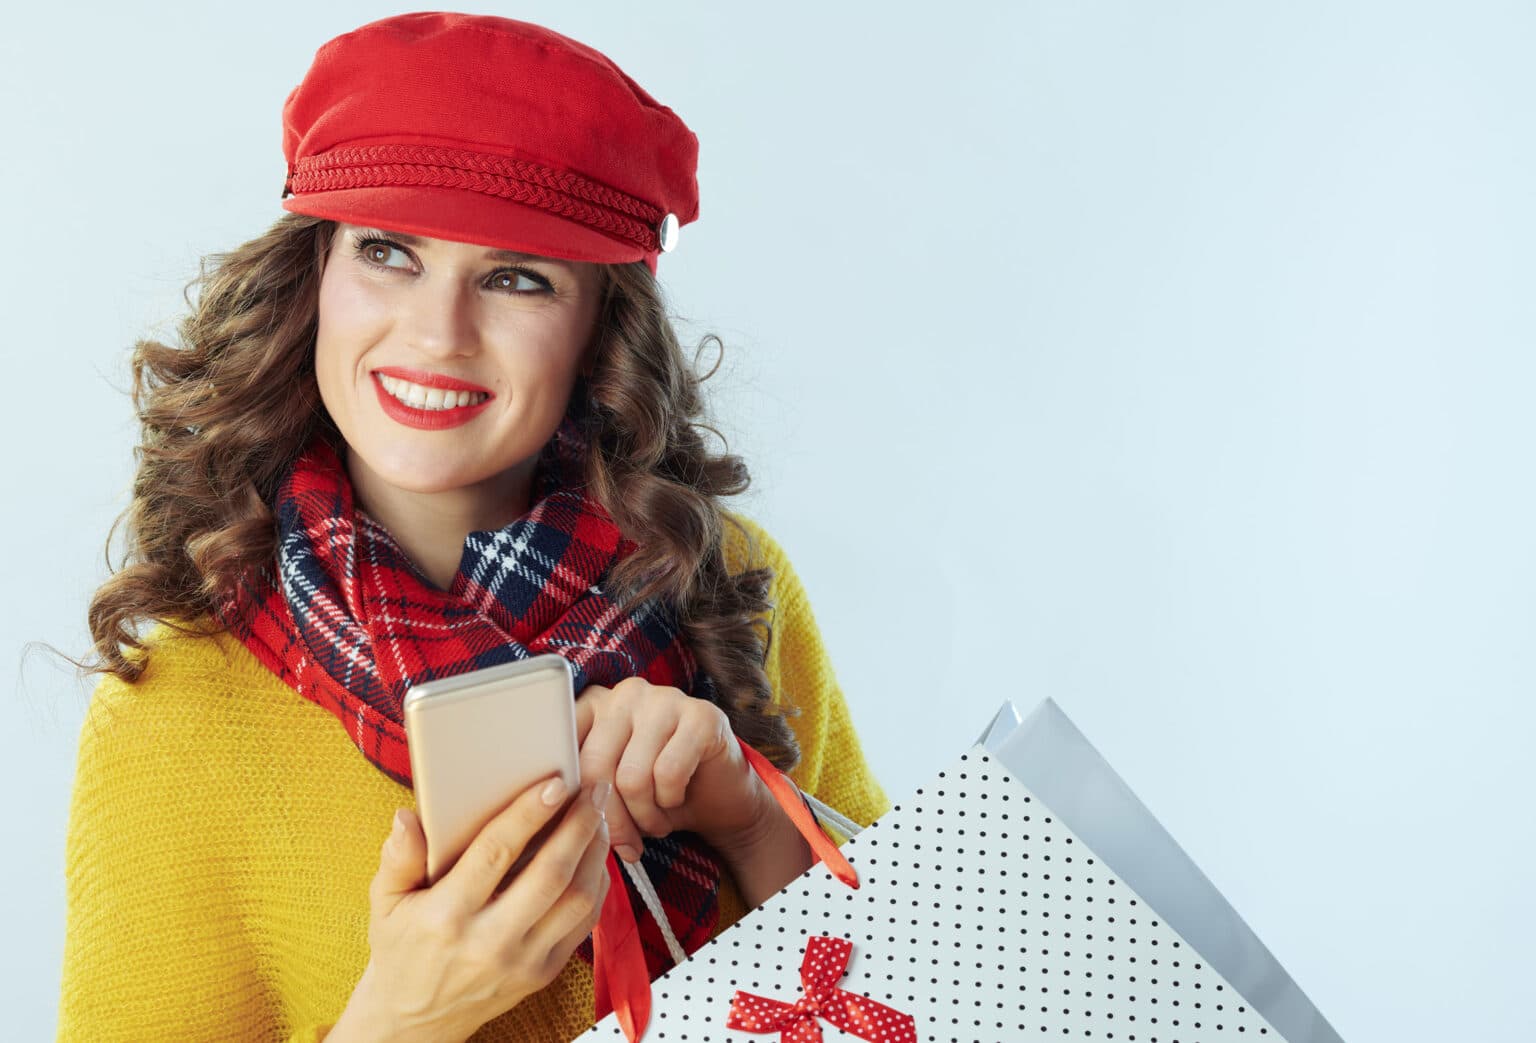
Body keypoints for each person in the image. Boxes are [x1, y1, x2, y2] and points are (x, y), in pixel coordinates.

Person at [56, 12, 888, 1043]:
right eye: (388, 252)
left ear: (601, 328)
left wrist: (748, 816)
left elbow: (919, 984)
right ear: (316, 276)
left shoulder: (728, 582)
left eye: (516, 277)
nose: (436, 334)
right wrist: (401, 1017)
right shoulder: (177, 701)